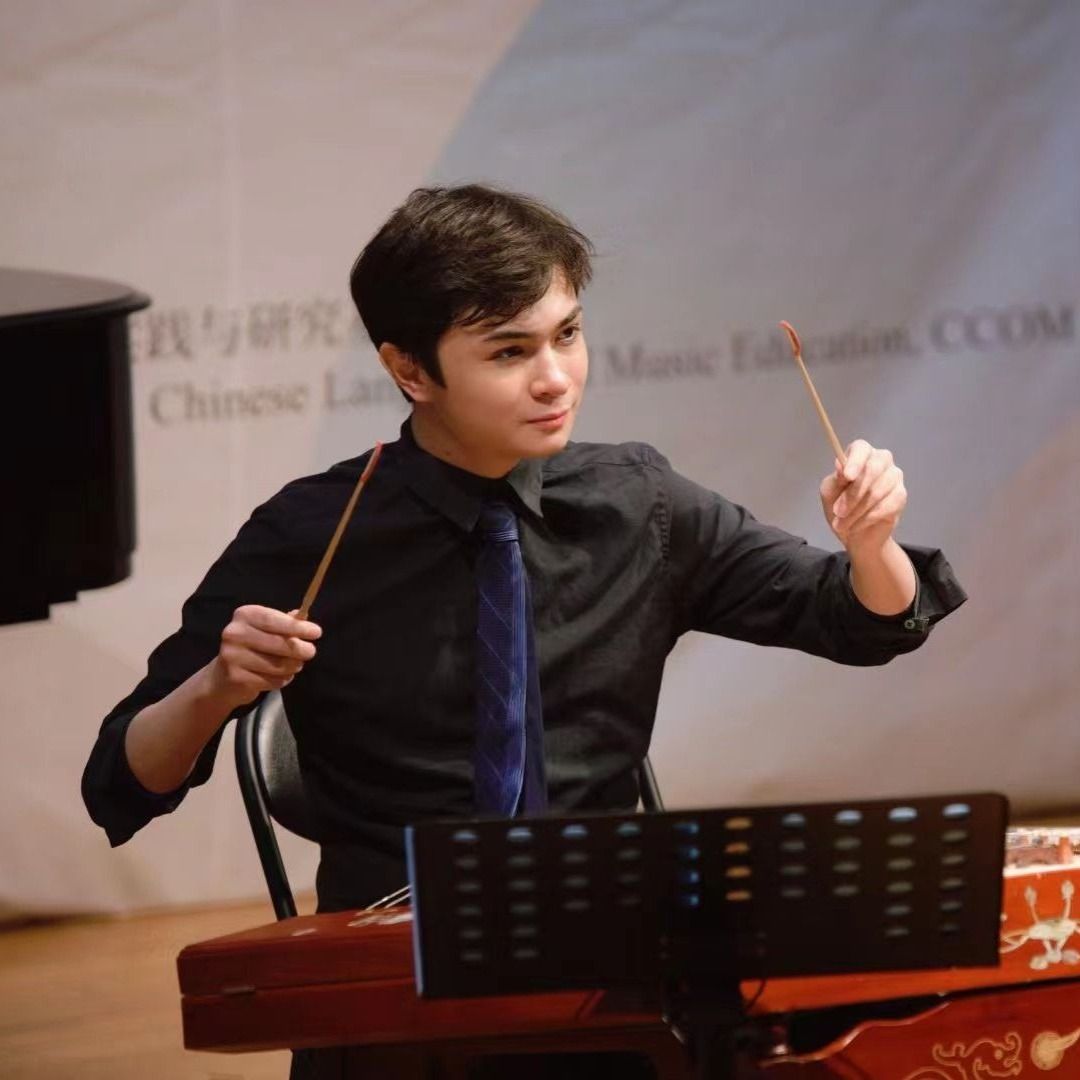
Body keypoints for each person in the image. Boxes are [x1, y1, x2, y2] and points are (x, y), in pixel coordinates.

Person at [83, 181, 965, 922]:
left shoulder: (638, 503)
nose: (555, 379)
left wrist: (871, 547)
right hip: (398, 945)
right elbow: (121, 777)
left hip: (608, 931)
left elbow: (863, 621)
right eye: (510, 352)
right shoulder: (312, 532)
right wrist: (217, 686)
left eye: (567, 335)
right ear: (410, 371)